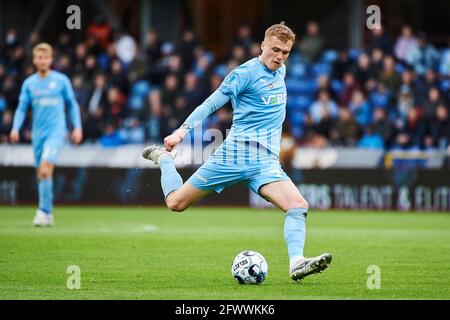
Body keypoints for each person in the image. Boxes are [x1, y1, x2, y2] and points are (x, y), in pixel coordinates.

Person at [141, 22, 332, 282]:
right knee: (176, 203)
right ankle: (164, 160)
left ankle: (297, 263)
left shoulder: (281, 71)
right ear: (262, 45)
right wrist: (181, 132)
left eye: (285, 52)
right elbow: (210, 103)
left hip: (265, 162)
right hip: (235, 155)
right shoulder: (243, 74)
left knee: (298, 206)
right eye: (275, 49)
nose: (279, 56)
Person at [10, 43, 82, 226]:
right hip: (38, 134)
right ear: (34, 60)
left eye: (45, 57)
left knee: (44, 167)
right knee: (43, 173)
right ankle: (47, 213)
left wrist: (78, 127)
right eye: (39, 58)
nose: (42, 61)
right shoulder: (29, 83)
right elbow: (21, 108)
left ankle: (43, 211)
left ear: (50, 60)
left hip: (56, 132)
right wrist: (15, 128)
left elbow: (72, 104)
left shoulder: (61, 81)